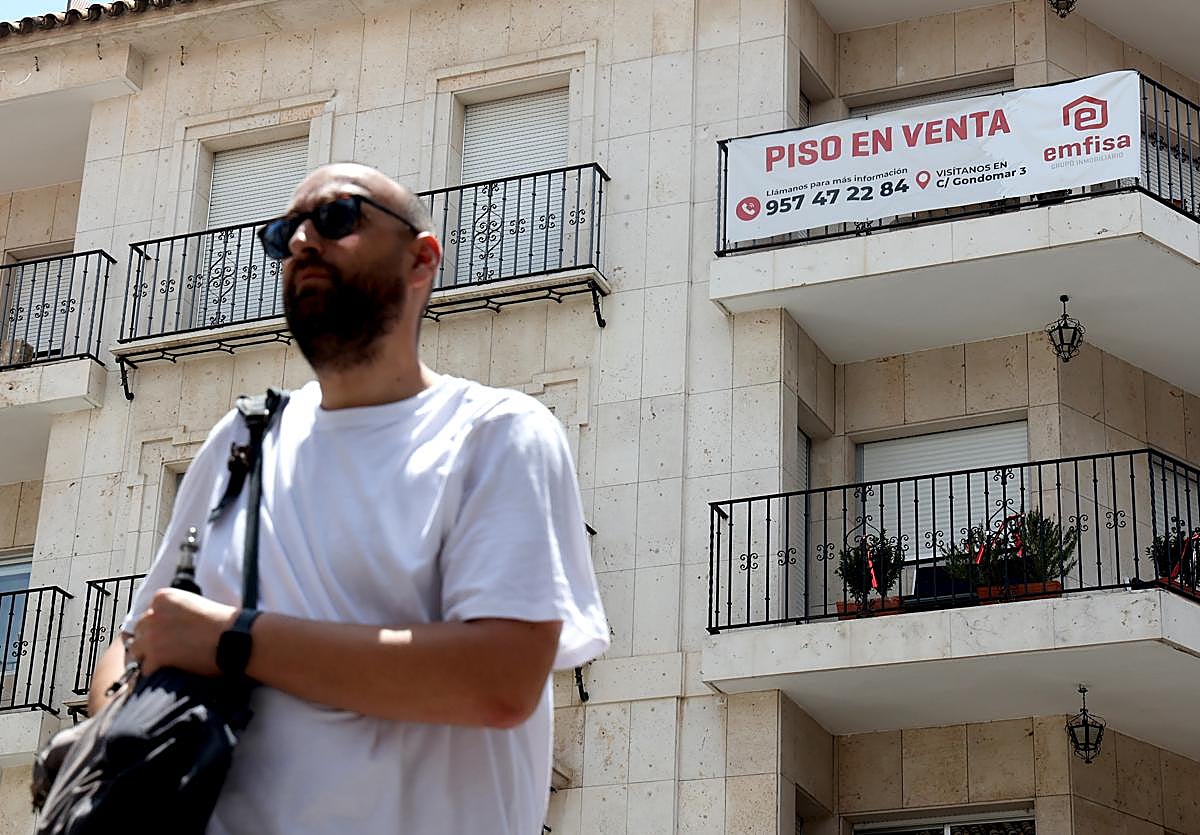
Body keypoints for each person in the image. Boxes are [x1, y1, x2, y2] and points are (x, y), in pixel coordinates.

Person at [88, 163, 610, 834]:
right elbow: (141, 637)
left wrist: (233, 639)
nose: (303, 240)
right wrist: (123, 735)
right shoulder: (244, 439)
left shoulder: (495, 433)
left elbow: (499, 679)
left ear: (421, 259)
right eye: (283, 234)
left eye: (337, 218)